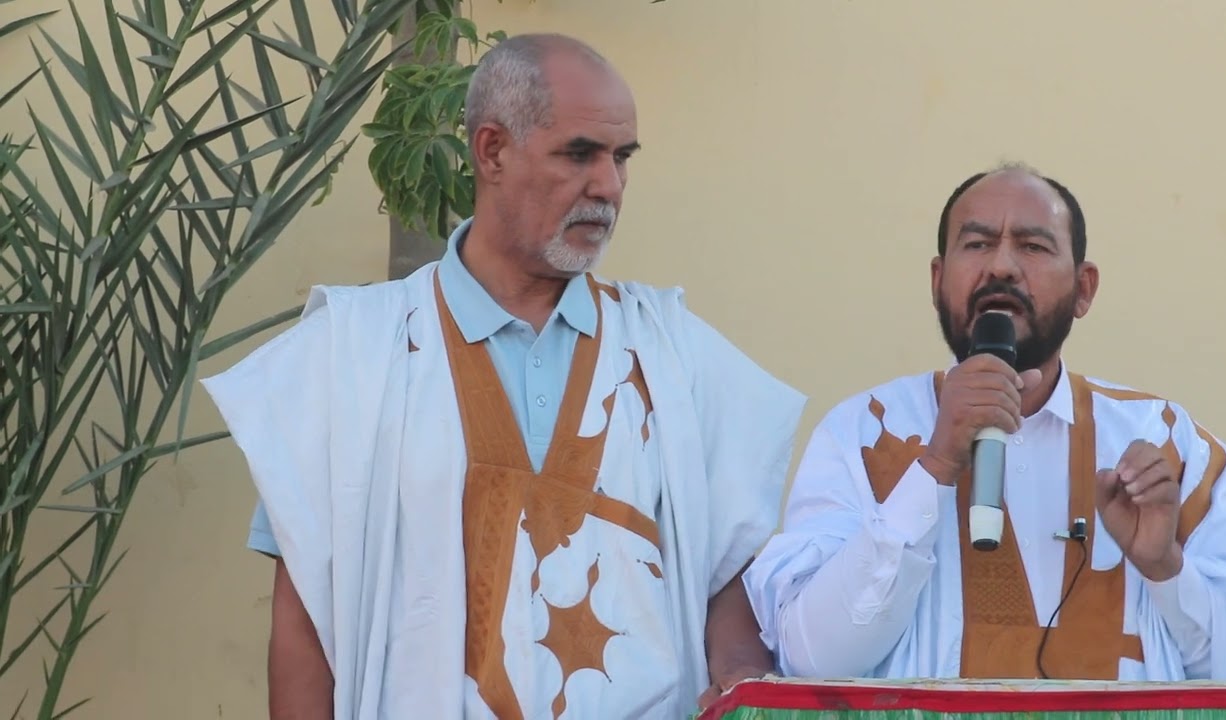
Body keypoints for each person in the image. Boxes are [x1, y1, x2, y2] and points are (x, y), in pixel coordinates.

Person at [203, 33, 805, 719]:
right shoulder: (352, 356)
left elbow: (727, 576)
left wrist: (740, 677)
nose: (608, 186)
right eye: (579, 153)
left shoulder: (676, 355)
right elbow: (306, 622)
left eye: (621, 158)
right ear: (492, 151)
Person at [743, 163, 1226, 683]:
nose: (1001, 266)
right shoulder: (866, 431)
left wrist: (1165, 569)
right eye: (977, 244)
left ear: (1084, 288)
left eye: (1033, 246)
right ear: (937, 281)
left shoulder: (1163, 442)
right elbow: (813, 658)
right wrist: (935, 466)